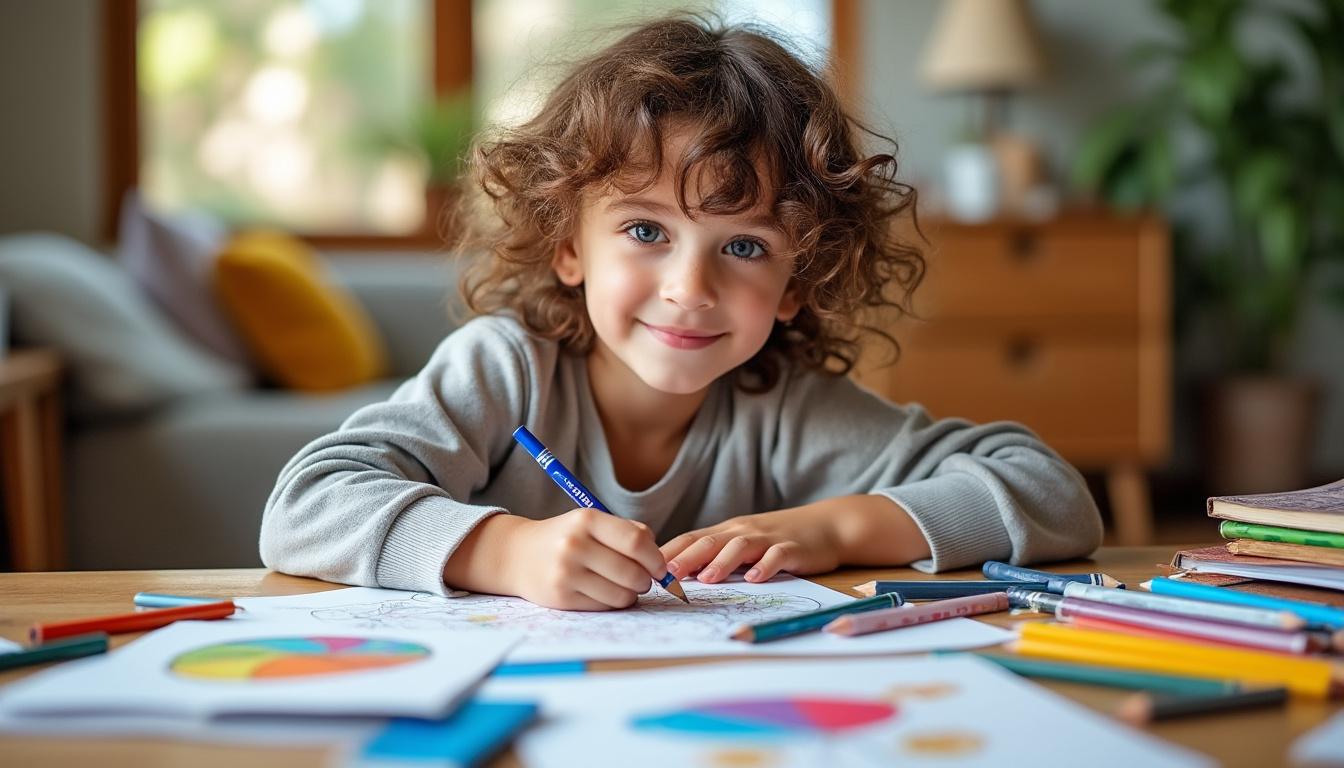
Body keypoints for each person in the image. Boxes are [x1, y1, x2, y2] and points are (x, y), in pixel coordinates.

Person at [260, 15, 1102, 611]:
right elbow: (306, 505)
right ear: (569, 245)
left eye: (743, 247)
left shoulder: (785, 408)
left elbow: (1052, 494)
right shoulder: (506, 369)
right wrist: (506, 550)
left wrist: (833, 527)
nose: (689, 288)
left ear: (798, 278)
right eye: (644, 230)